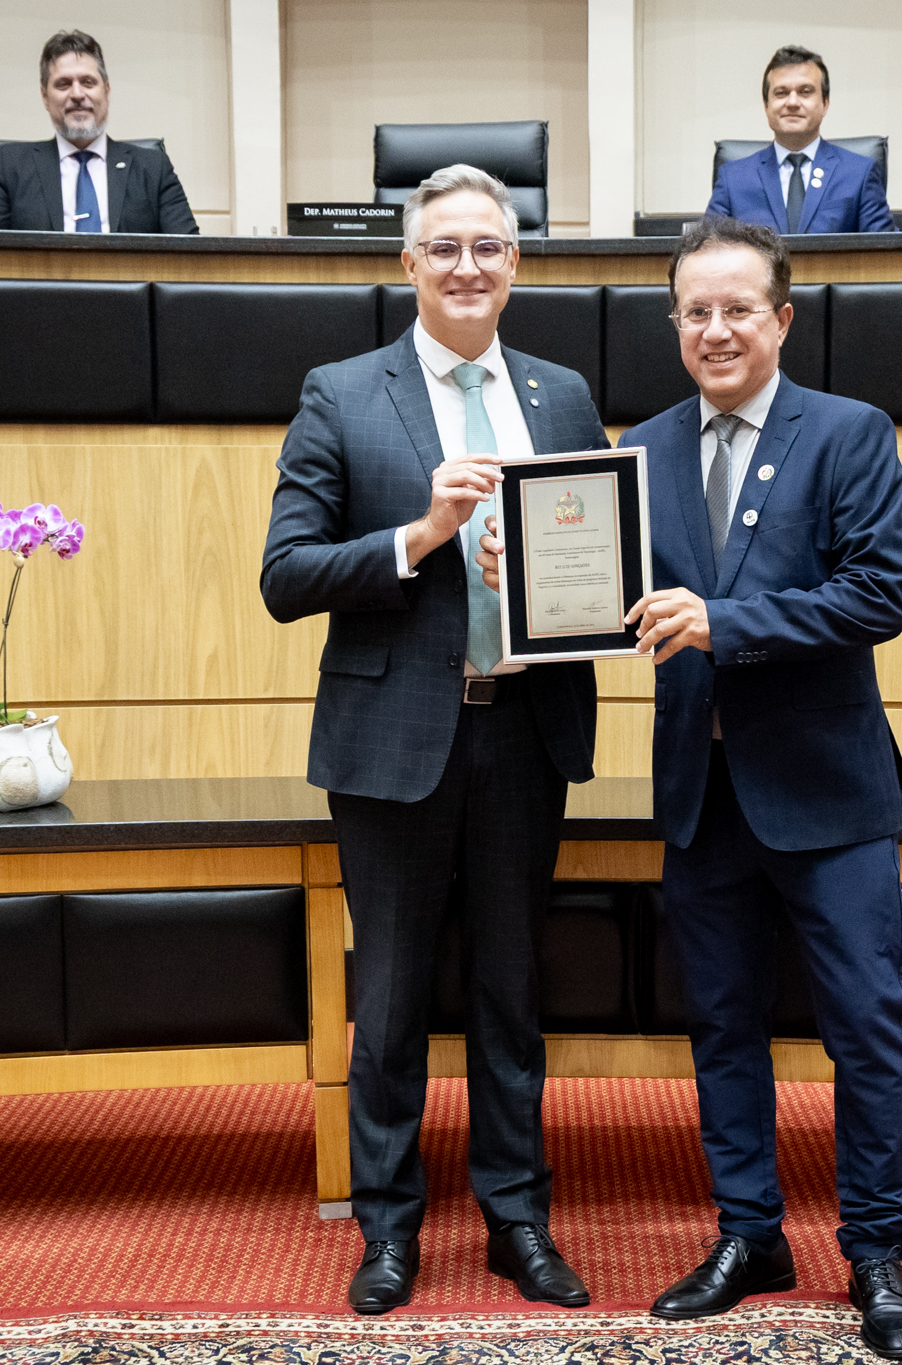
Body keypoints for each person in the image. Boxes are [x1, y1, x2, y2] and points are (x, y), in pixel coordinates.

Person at [483, 216, 902, 1357]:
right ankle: (749, 1234)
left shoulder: (850, 433)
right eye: (695, 312)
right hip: (700, 790)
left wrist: (727, 621)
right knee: (722, 1027)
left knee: (866, 1032)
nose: (715, 330)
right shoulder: (643, 450)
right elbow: (607, 599)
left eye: (737, 310)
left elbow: (877, 596)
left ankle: (877, 1251)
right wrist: (520, 569)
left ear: (781, 320)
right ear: (674, 324)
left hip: (828, 795)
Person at [260, 164, 607, 1316]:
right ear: (408, 263)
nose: (467, 266)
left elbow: (598, 561)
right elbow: (285, 576)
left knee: (510, 992)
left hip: (524, 733)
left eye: (487, 247)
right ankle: (388, 1227)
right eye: (444, 247)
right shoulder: (340, 394)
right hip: (392, 742)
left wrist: (561, 584)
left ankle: (517, 1219)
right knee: (394, 997)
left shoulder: (561, 396)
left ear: (516, 264)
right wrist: (422, 534)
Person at [0, 30, 197, 233]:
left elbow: (190, 257)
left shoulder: (153, 168)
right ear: (45, 97)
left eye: (88, 82)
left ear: (106, 90)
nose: (77, 94)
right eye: (63, 84)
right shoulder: (7, 167)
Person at [707, 45, 897, 234]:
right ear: (766, 105)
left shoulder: (859, 173)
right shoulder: (733, 178)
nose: (792, 102)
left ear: (825, 103)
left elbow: (885, 249)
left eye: (805, 92)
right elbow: (708, 247)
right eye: (781, 93)